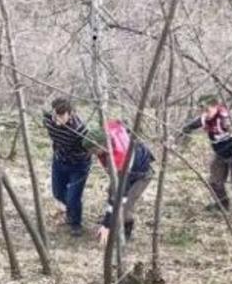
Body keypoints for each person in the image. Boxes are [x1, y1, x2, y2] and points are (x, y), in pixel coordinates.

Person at [82, 120, 154, 244]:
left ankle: (125, 231)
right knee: (112, 194)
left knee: (124, 207)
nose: (92, 154)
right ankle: (111, 221)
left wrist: (106, 225)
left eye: (93, 151)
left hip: (141, 175)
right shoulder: (107, 129)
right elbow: (118, 122)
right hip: (125, 170)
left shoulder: (119, 158)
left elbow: (120, 194)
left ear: (101, 145)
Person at [181, 94, 232, 210]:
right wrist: (184, 130)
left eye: (207, 110)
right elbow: (192, 125)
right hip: (220, 153)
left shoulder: (224, 117)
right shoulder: (204, 117)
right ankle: (222, 204)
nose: (204, 113)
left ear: (216, 107)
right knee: (214, 181)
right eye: (202, 109)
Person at [43, 97, 91, 237]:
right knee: (57, 193)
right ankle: (72, 209)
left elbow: (88, 149)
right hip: (59, 160)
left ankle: (75, 224)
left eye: (62, 115)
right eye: (56, 115)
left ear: (70, 114)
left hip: (78, 165)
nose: (58, 119)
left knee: (73, 197)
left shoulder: (79, 129)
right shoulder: (48, 120)